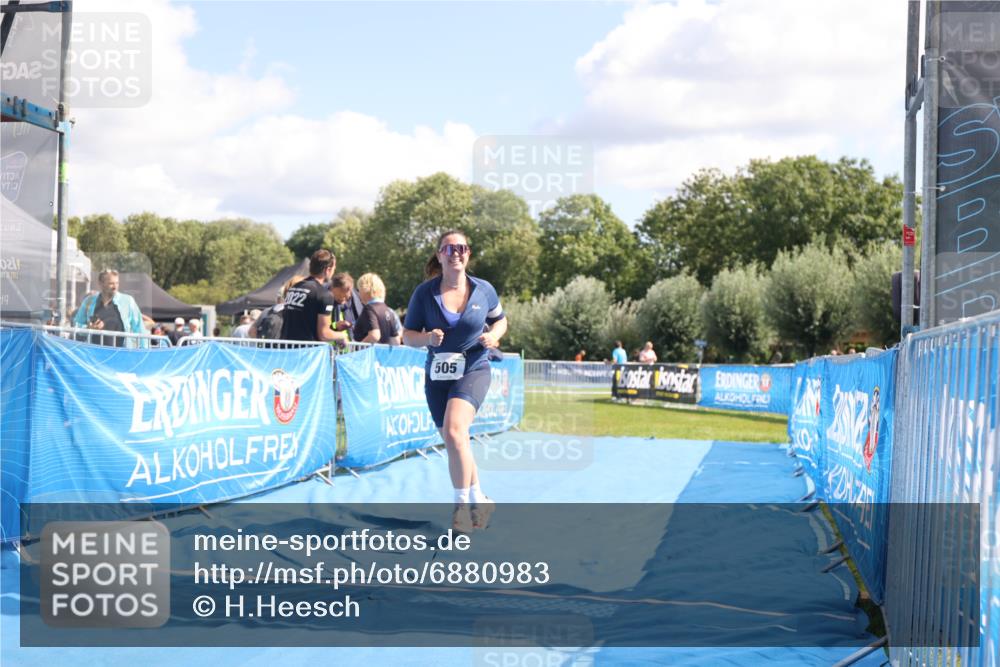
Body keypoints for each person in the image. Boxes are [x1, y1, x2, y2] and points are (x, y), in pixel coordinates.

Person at [402, 230, 507, 532]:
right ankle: (480, 499)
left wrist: (494, 336)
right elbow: (407, 336)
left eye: (461, 248)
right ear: (439, 256)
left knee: (455, 430)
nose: (455, 253)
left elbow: (500, 320)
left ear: (468, 253)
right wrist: (426, 338)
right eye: (449, 249)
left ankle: (461, 509)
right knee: (455, 440)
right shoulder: (424, 293)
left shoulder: (484, 290)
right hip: (437, 375)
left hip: (474, 367)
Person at [281, 249, 348, 344]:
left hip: (287, 348)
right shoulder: (324, 295)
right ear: (328, 270)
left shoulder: (294, 288)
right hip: (307, 351)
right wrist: (341, 336)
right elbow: (324, 334)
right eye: (334, 268)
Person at [72, 269, 144, 347]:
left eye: (117, 283)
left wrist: (145, 350)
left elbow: (140, 328)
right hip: (94, 352)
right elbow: (76, 324)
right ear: (100, 284)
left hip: (121, 352)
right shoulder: (89, 301)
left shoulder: (128, 301)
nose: (115, 287)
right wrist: (88, 328)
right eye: (111, 283)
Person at [353, 273, 402, 345]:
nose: (358, 294)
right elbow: (395, 341)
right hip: (382, 351)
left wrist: (359, 348)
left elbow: (375, 335)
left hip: (368, 351)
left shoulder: (369, 309)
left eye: (359, 290)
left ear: (364, 290)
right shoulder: (388, 311)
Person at [329, 272, 364, 339]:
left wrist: (352, 324)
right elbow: (321, 328)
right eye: (339, 296)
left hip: (354, 343)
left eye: (346, 297)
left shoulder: (359, 300)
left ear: (351, 292)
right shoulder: (323, 301)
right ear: (331, 289)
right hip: (331, 343)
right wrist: (335, 326)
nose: (342, 300)